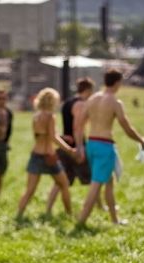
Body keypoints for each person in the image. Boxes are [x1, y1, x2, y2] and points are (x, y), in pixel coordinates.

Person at [75, 69, 144, 226]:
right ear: (117, 82)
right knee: (96, 184)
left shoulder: (93, 98)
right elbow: (127, 128)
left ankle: (115, 220)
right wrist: (142, 141)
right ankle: (81, 221)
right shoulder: (115, 102)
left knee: (109, 182)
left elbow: (79, 124)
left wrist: (80, 146)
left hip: (92, 145)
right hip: (105, 146)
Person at [16, 87, 77, 220]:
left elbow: (42, 135)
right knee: (64, 184)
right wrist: (69, 149)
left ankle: (19, 214)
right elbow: (53, 137)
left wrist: (61, 137)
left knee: (30, 190)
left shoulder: (36, 116)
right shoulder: (51, 116)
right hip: (49, 156)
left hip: (36, 154)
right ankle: (69, 214)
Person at [45, 77, 98, 215]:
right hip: (75, 146)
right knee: (94, 178)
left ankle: (49, 208)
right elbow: (77, 127)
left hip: (65, 145)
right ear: (87, 90)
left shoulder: (68, 102)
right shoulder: (80, 104)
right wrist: (80, 148)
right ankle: (99, 206)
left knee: (61, 180)